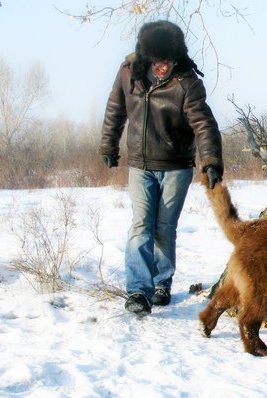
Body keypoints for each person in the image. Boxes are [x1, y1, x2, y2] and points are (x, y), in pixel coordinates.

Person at [99, 20, 224, 316]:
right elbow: (114, 110)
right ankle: (138, 291)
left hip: (176, 167)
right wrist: (108, 145)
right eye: (156, 60)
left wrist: (211, 160)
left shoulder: (187, 83)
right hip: (140, 165)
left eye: (167, 60)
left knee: (164, 228)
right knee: (141, 225)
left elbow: (204, 124)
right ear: (147, 56)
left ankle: (161, 283)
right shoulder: (129, 73)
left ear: (176, 57)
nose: (161, 66)